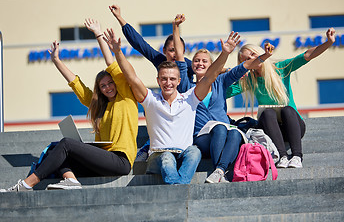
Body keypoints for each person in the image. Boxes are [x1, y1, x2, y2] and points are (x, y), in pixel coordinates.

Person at [0, 19, 138, 192]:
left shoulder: (126, 98)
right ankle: (71, 181)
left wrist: (98, 34)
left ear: (117, 83)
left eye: (110, 83)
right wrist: (56, 60)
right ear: (100, 90)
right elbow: (76, 84)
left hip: (120, 161)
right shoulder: (100, 106)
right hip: (102, 161)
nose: (108, 87)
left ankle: (27, 184)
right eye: (103, 86)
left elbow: (112, 64)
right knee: (53, 151)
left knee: (66, 144)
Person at [102, 21, 241, 184]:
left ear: (179, 81)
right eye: (164, 79)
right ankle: (179, 188)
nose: (168, 82)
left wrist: (224, 54)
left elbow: (210, 77)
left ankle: (176, 186)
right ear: (158, 80)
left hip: (184, 155)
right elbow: (132, 78)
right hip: (159, 156)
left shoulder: (189, 99)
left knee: (194, 152)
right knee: (167, 157)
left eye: (172, 79)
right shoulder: (151, 100)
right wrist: (118, 52)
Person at [173, 14, 267, 183]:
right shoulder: (186, 85)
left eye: (204, 61)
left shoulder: (220, 81)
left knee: (236, 134)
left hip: (225, 134)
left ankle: (219, 171)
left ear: (212, 66)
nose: (200, 64)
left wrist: (264, 56)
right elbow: (179, 55)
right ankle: (220, 169)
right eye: (196, 61)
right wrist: (175, 27)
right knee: (220, 128)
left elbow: (244, 66)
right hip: (202, 137)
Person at [227, 27, 336, 169]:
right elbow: (224, 93)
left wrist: (328, 43)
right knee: (267, 112)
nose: (252, 59)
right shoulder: (248, 80)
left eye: (253, 54)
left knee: (287, 110)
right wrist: (230, 75)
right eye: (246, 60)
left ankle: (297, 156)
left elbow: (307, 55)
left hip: (293, 126)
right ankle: (282, 156)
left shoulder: (280, 68)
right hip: (270, 129)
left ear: (260, 53)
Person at [109, 4, 194, 82]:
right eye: (172, 50)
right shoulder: (160, 60)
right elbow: (139, 43)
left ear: (183, 52)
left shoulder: (189, 64)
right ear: (164, 50)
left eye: (178, 50)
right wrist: (119, 17)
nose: (175, 54)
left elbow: (205, 75)